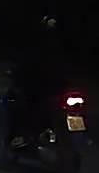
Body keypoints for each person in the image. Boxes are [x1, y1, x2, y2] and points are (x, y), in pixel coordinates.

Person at [7, 16, 70, 148]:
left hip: (42, 88)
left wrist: (18, 76)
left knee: (21, 106)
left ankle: (20, 137)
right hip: (59, 87)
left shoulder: (37, 46)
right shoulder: (62, 45)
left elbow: (27, 66)